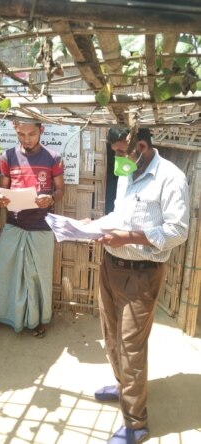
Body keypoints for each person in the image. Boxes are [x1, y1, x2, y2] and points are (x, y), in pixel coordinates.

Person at [94, 127, 189, 444]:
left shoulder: (171, 177)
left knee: (131, 348)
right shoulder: (127, 171)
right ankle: (124, 388)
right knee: (110, 336)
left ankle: (136, 424)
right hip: (110, 266)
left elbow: (177, 231)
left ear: (143, 146)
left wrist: (130, 238)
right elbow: (121, 217)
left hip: (142, 273)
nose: (118, 159)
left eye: (122, 152)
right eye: (116, 153)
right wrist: (92, 227)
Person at [0, 112, 64, 341]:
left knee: (36, 276)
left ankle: (35, 320)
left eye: (32, 133)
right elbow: (2, 188)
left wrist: (51, 199)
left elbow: (60, 189)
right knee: (3, 272)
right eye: (21, 133)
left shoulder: (53, 157)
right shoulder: (8, 156)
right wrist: (0, 199)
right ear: (15, 129)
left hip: (42, 226)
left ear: (41, 130)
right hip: (14, 224)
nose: (26, 138)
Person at [105, 127, 130, 214]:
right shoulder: (123, 173)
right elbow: (118, 212)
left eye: (121, 151)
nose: (117, 155)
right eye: (115, 151)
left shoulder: (167, 175)